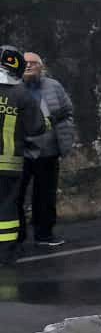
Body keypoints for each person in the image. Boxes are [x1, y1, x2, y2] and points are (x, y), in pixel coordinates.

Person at [21, 52, 74, 247]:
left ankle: (44, 235)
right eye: (24, 63)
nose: (28, 66)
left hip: (48, 150)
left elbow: (67, 111)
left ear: (40, 67)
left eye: (33, 63)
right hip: (21, 151)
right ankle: (15, 238)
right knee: (15, 196)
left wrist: (62, 134)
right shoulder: (10, 88)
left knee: (45, 194)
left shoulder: (53, 86)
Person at [1, 46, 48, 264]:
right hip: (9, 165)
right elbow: (37, 127)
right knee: (7, 209)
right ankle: (6, 253)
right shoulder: (22, 94)